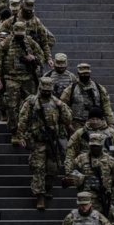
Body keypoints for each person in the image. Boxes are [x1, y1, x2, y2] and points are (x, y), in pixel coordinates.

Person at [17, 77, 72, 209]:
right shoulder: (31, 102)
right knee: (38, 168)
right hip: (37, 141)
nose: (46, 93)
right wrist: (20, 136)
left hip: (53, 141)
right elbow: (23, 119)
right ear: (40, 88)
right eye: (44, 90)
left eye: (49, 91)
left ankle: (46, 189)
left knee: (53, 168)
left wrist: (61, 105)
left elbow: (68, 118)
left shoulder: (56, 102)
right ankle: (39, 196)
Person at [0, 22, 45, 144]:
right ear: (13, 31)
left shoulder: (30, 42)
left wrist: (33, 58)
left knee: (30, 105)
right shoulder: (6, 43)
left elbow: (41, 56)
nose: (20, 36)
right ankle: (15, 132)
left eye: (22, 34)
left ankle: (28, 130)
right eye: (18, 34)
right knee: (12, 105)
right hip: (11, 77)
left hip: (27, 78)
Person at [64, 132, 114, 225]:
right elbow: (70, 176)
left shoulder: (111, 161)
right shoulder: (80, 159)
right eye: (93, 146)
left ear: (102, 145)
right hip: (86, 202)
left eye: (97, 146)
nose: (95, 148)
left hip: (105, 199)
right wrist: (66, 181)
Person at [61, 63, 114, 132]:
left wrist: (111, 122)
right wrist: (68, 123)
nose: (84, 75)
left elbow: (106, 106)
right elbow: (63, 106)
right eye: (82, 74)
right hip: (77, 124)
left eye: (86, 73)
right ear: (78, 74)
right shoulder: (71, 89)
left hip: (96, 124)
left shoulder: (99, 88)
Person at [14, 0, 54, 70]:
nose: (28, 12)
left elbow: (44, 42)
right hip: (15, 53)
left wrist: (48, 58)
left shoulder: (36, 22)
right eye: (26, 10)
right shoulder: (14, 19)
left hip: (32, 55)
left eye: (30, 10)